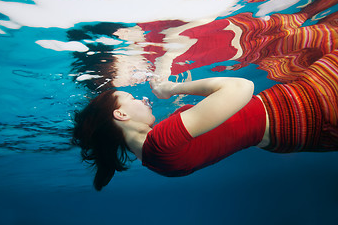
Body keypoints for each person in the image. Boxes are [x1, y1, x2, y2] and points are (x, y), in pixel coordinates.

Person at [72, 49, 338, 191]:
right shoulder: (162, 141)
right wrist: (171, 90)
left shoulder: (153, 160)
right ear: (121, 114)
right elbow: (242, 88)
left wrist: (181, 108)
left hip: (292, 134)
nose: (141, 100)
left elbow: (211, 139)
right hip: (300, 108)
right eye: (131, 98)